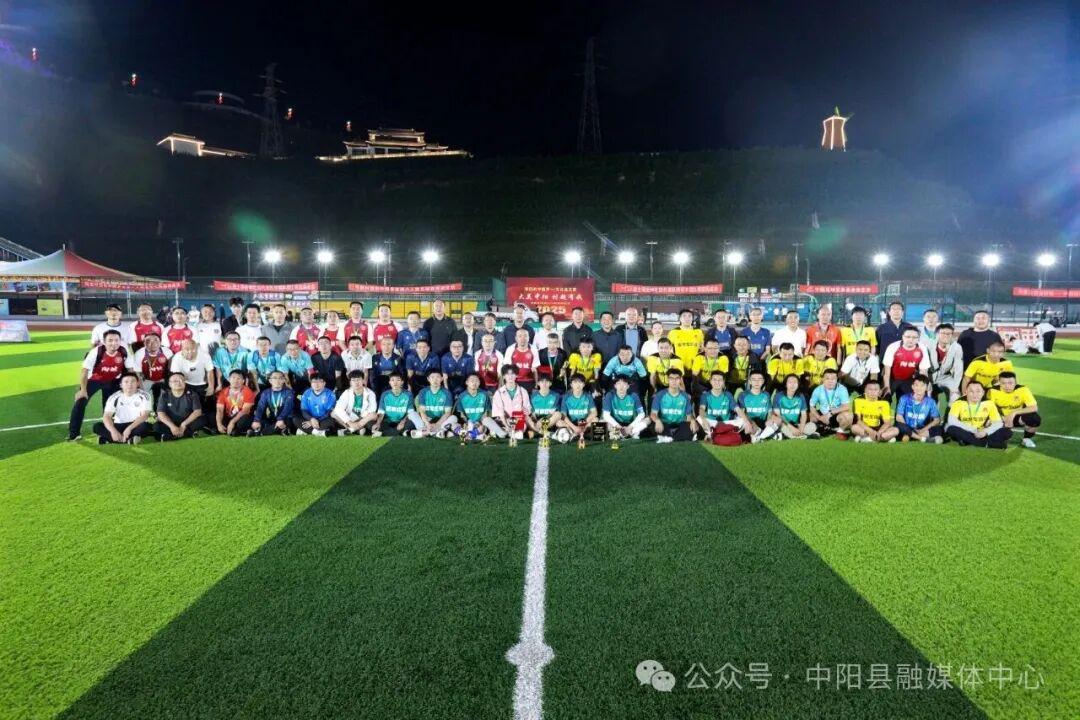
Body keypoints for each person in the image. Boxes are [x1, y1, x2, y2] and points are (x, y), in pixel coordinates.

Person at [91, 372, 153, 445]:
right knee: (97, 426)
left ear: (138, 383)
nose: (130, 384)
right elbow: (106, 416)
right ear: (121, 385)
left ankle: (109, 439)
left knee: (146, 426)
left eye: (133, 381)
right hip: (119, 425)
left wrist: (129, 428)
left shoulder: (145, 396)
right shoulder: (114, 397)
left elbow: (145, 415)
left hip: (135, 425)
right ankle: (129, 440)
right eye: (126, 382)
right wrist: (113, 431)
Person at [945, 381, 1011, 449]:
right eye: (971, 391)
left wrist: (986, 431)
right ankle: (986, 443)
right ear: (966, 392)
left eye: (978, 391)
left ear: (983, 392)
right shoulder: (958, 402)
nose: (975, 394)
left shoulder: (989, 403)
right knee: (951, 429)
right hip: (966, 430)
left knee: (1007, 431)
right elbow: (951, 421)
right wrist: (973, 429)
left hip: (982, 432)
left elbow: (998, 423)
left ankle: (969, 441)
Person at [989, 371, 1041, 449]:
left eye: (1010, 383)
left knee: (1034, 419)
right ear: (999, 383)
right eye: (1003, 383)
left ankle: (1026, 439)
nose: (1007, 386)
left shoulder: (1023, 389)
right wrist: (1001, 417)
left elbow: (1034, 407)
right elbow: (989, 408)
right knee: (997, 441)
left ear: (1015, 382)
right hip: (1000, 418)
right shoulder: (992, 391)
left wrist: (1013, 413)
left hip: (1017, 418)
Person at [169, 339, 217, 416]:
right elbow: (176, 375)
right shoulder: (177, 357)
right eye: (187, 349)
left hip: (202, 383)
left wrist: (211, 386)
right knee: (188, 406)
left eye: (193, 349)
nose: (190, 352)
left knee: (204, 406)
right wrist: (180, 389)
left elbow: (210, 371)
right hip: (186, 383)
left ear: (197, 348)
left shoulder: (204, 355)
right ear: (182, 349)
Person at [650, 368, 698, 443]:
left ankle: (668, 437)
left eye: (677, 378)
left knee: (693, 426)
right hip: (664, 423)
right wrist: (657, 420)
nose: (674, 381)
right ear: (668, 380)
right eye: (671, 378)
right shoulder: (660, 395)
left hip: (679, 425)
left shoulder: (685, 396)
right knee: (653, 425)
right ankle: (677, 436)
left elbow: (689, 416)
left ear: (680, 380)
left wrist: (692, 420)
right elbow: (653, 414)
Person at [408, 369, 459, 438]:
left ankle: (424, 432)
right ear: (428, 379)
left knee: (454, 418)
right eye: (432, 377)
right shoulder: (423, 392)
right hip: (427, 419)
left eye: (438, 377)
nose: (435, 380)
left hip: (441, 419)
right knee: (412, 414)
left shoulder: (447, 393)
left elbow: (447, 412)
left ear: (442, 379)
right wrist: (427, 423)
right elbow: (422, 411)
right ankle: (435, 432)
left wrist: (437, 424)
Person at [155, 372, 206, 441]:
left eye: (182, 380)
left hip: (187, 422)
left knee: (201, 421)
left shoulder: (192, 394)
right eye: (176, 381)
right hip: (171, 422)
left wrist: (183, 424)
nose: (179, 382)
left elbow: (197, 411)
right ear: (170, 384)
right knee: (157, 426)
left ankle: (171, 436)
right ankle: (188, 434)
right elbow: (161, 413)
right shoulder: (164, 395)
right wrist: (172, 426)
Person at [882, 327, 930, 399]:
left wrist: (923, 387)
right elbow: (886, 372)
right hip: (892, 378)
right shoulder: (893, 347)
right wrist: (887, 387)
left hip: (909, 379)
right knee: (885, 398)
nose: (911, 340)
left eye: (914, 337)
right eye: (908, 337)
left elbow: (923, 371)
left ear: (918, 338)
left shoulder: (922, 348)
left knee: (909, 401)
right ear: (902, 337)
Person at [455, 373, 506, 440]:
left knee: (486, 421)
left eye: (477, 380)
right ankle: (473, 435)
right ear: (467, 382)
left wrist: (479, 423)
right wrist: (467, 423)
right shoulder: (462, 396)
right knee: (455, 425)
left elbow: (487, 412)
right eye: (472, 380)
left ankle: (502, 434)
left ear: (479, 383)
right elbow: (462, 414)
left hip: (481, 424)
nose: (474, 383)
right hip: (468, 423)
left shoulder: (485, 394)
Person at [894, 374, 943, 443]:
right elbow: (898, 417)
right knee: (899, 426)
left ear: (926, 387)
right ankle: (921, 438)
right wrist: (907, 428)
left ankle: (910, 436)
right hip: (906, 426)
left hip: (922, 429)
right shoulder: (904, 398)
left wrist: (923, 430)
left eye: (922, 386)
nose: (919, 388)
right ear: (912, 386)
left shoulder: (931, 402)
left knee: (939, 429)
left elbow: (937, 420)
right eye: (916, 385)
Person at [330, 370, 378, 436]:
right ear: (350, 382)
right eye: (353, 380)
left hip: (362, 418)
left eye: (358, 380)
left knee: (374, 415)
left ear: (363, 380)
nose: (356, 382)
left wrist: (359, 422)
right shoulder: (347, 392)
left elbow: (372, 409)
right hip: (350, 418)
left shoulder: (370, 393)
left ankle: (351, 430)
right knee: (333, 413)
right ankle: (354, 429)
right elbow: (339, 408)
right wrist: (350, 422)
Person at [808, 368, 853, 438]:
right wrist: (819, 417)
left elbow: (846, 406)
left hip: (836, 414)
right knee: (812, 415)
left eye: (833, 379)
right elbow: (812, 406)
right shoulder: (817, 390)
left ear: (837, 379)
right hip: (822, 414)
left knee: (849, 416)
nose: (830, 381)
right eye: (827, 378)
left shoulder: (842, 389)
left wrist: (831, 413)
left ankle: (839, 431)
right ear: (823, 379)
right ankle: (821, 428)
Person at [492, 365, 532, 440]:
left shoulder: (523, 391)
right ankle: (506, 431)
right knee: (497, 427)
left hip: (519, 421)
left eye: (512, 374)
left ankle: (512, 433)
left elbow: (528, 409)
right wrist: (506, 425)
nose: (510, 376)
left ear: (516, 375)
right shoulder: (498, 393)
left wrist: (526, 411)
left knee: (520, 434)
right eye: (507, 374)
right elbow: (499, 413)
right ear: (504, 376)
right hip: (504, 420)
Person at [131, 331, 172, 406]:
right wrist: (142, 389)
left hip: (163, 379)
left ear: (160, 342)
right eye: (148, 341)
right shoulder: (139, 353)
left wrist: (169, 385)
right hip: (147, 380)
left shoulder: (167, 351)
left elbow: (170, 370)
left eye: (156, 340)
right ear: (144, 343)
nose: (152, 343)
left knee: (164, 399)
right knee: (143, 399)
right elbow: (138, 372)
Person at [927, 323, 964, 405]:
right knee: (927, 397)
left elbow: (959, 368)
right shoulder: (929, 345)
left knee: (955, 396)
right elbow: (924, 367)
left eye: (949, 333)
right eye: (943, 333)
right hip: (930, 376)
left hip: (945, 377)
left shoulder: (956, 347)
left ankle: (949, 412)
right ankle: (932, 413)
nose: (946, 336)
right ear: (937, 334)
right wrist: (926, 383)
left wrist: (955, 387)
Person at [602, 375, 649, 440]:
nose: (621, 387)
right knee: (601, 422)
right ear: (615, 386)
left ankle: (627, 433)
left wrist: (630, 427)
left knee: (648, 420)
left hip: (630, 423)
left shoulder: (634, 396)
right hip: (616, 424)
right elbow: (606, 415)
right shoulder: (610, 395)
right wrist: (618, 426)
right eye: (618, 384)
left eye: (624, 384)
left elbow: (641, 414)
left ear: (628, 386)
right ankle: (627, 433)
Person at [697, 372, 743, 436]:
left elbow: (737, 409)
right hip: (712, 423)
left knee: (743, 419)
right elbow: (702, 408)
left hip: (726, 422)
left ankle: (727, 432)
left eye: (720, 380)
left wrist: (746, 421)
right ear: (710, 381)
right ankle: (711, 433)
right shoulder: (705, 395)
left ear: (723, 382)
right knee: (699, 418)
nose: (717, 382)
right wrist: (704, 420)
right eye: (714, 380)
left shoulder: (728, 395)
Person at [555, 373, 597, 444]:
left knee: (596, 419)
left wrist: (583, 424)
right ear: (571, 385)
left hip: (584, 422)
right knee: (558, 423)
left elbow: (594, 412)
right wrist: (574, 427)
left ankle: (576, 433)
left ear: (584, 384)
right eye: (575, 382)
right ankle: (578, 432)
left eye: (580, 382)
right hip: (572, 423)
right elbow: (563, 415)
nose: (578, 385)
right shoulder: (566, 397)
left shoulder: (588, 396)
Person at [250, 371, 295, 436]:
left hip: (286, 418)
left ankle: (259, 432)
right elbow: (260, 407)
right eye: (275, 378)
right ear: (270, 381)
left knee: (283, 423)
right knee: (256, 422)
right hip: (272, 418)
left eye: (280, 378)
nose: (277, 380)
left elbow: (287, 407)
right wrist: (256, 420)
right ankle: (282, 430)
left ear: (284, 380)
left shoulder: (289, 392)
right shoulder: (265, 393)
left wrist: (280, 419)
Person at [772, 374, 816, 439]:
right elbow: (778, 415)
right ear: (785, 384)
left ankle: (796, 434)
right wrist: (791, 427)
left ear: (798, 384)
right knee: (778, 423)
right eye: (790, 382)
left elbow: (804, 415)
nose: (792, 385)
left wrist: (801, 429)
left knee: (812, 426)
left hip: (796, 424)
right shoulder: (778, 396)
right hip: (784, 424)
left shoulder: (801, 396)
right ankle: (801, 436)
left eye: (795, 382)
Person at [214, 369, 256, 436]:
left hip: (241, 417)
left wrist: (232, 422)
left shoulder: (248, 392)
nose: (236, 381)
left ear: (243, 381)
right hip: (229, 416)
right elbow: (219, 410)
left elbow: (245, 410)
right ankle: (228, 430)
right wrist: (219, 424)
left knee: (243, 421)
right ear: (229, 379)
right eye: (233, 378)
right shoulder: (223, 392)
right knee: (214, 417)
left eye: (238, 378)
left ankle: (238, 431)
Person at [506, 328, 540, 393]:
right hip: (514, 380)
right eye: (520, 336)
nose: (523, 338)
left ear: (529, 338)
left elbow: (535, 370)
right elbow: (507, 369)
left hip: (529, 381)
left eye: (525, 336)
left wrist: (536, 385)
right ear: (516, 338)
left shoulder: (533, 349)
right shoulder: (510, 349)